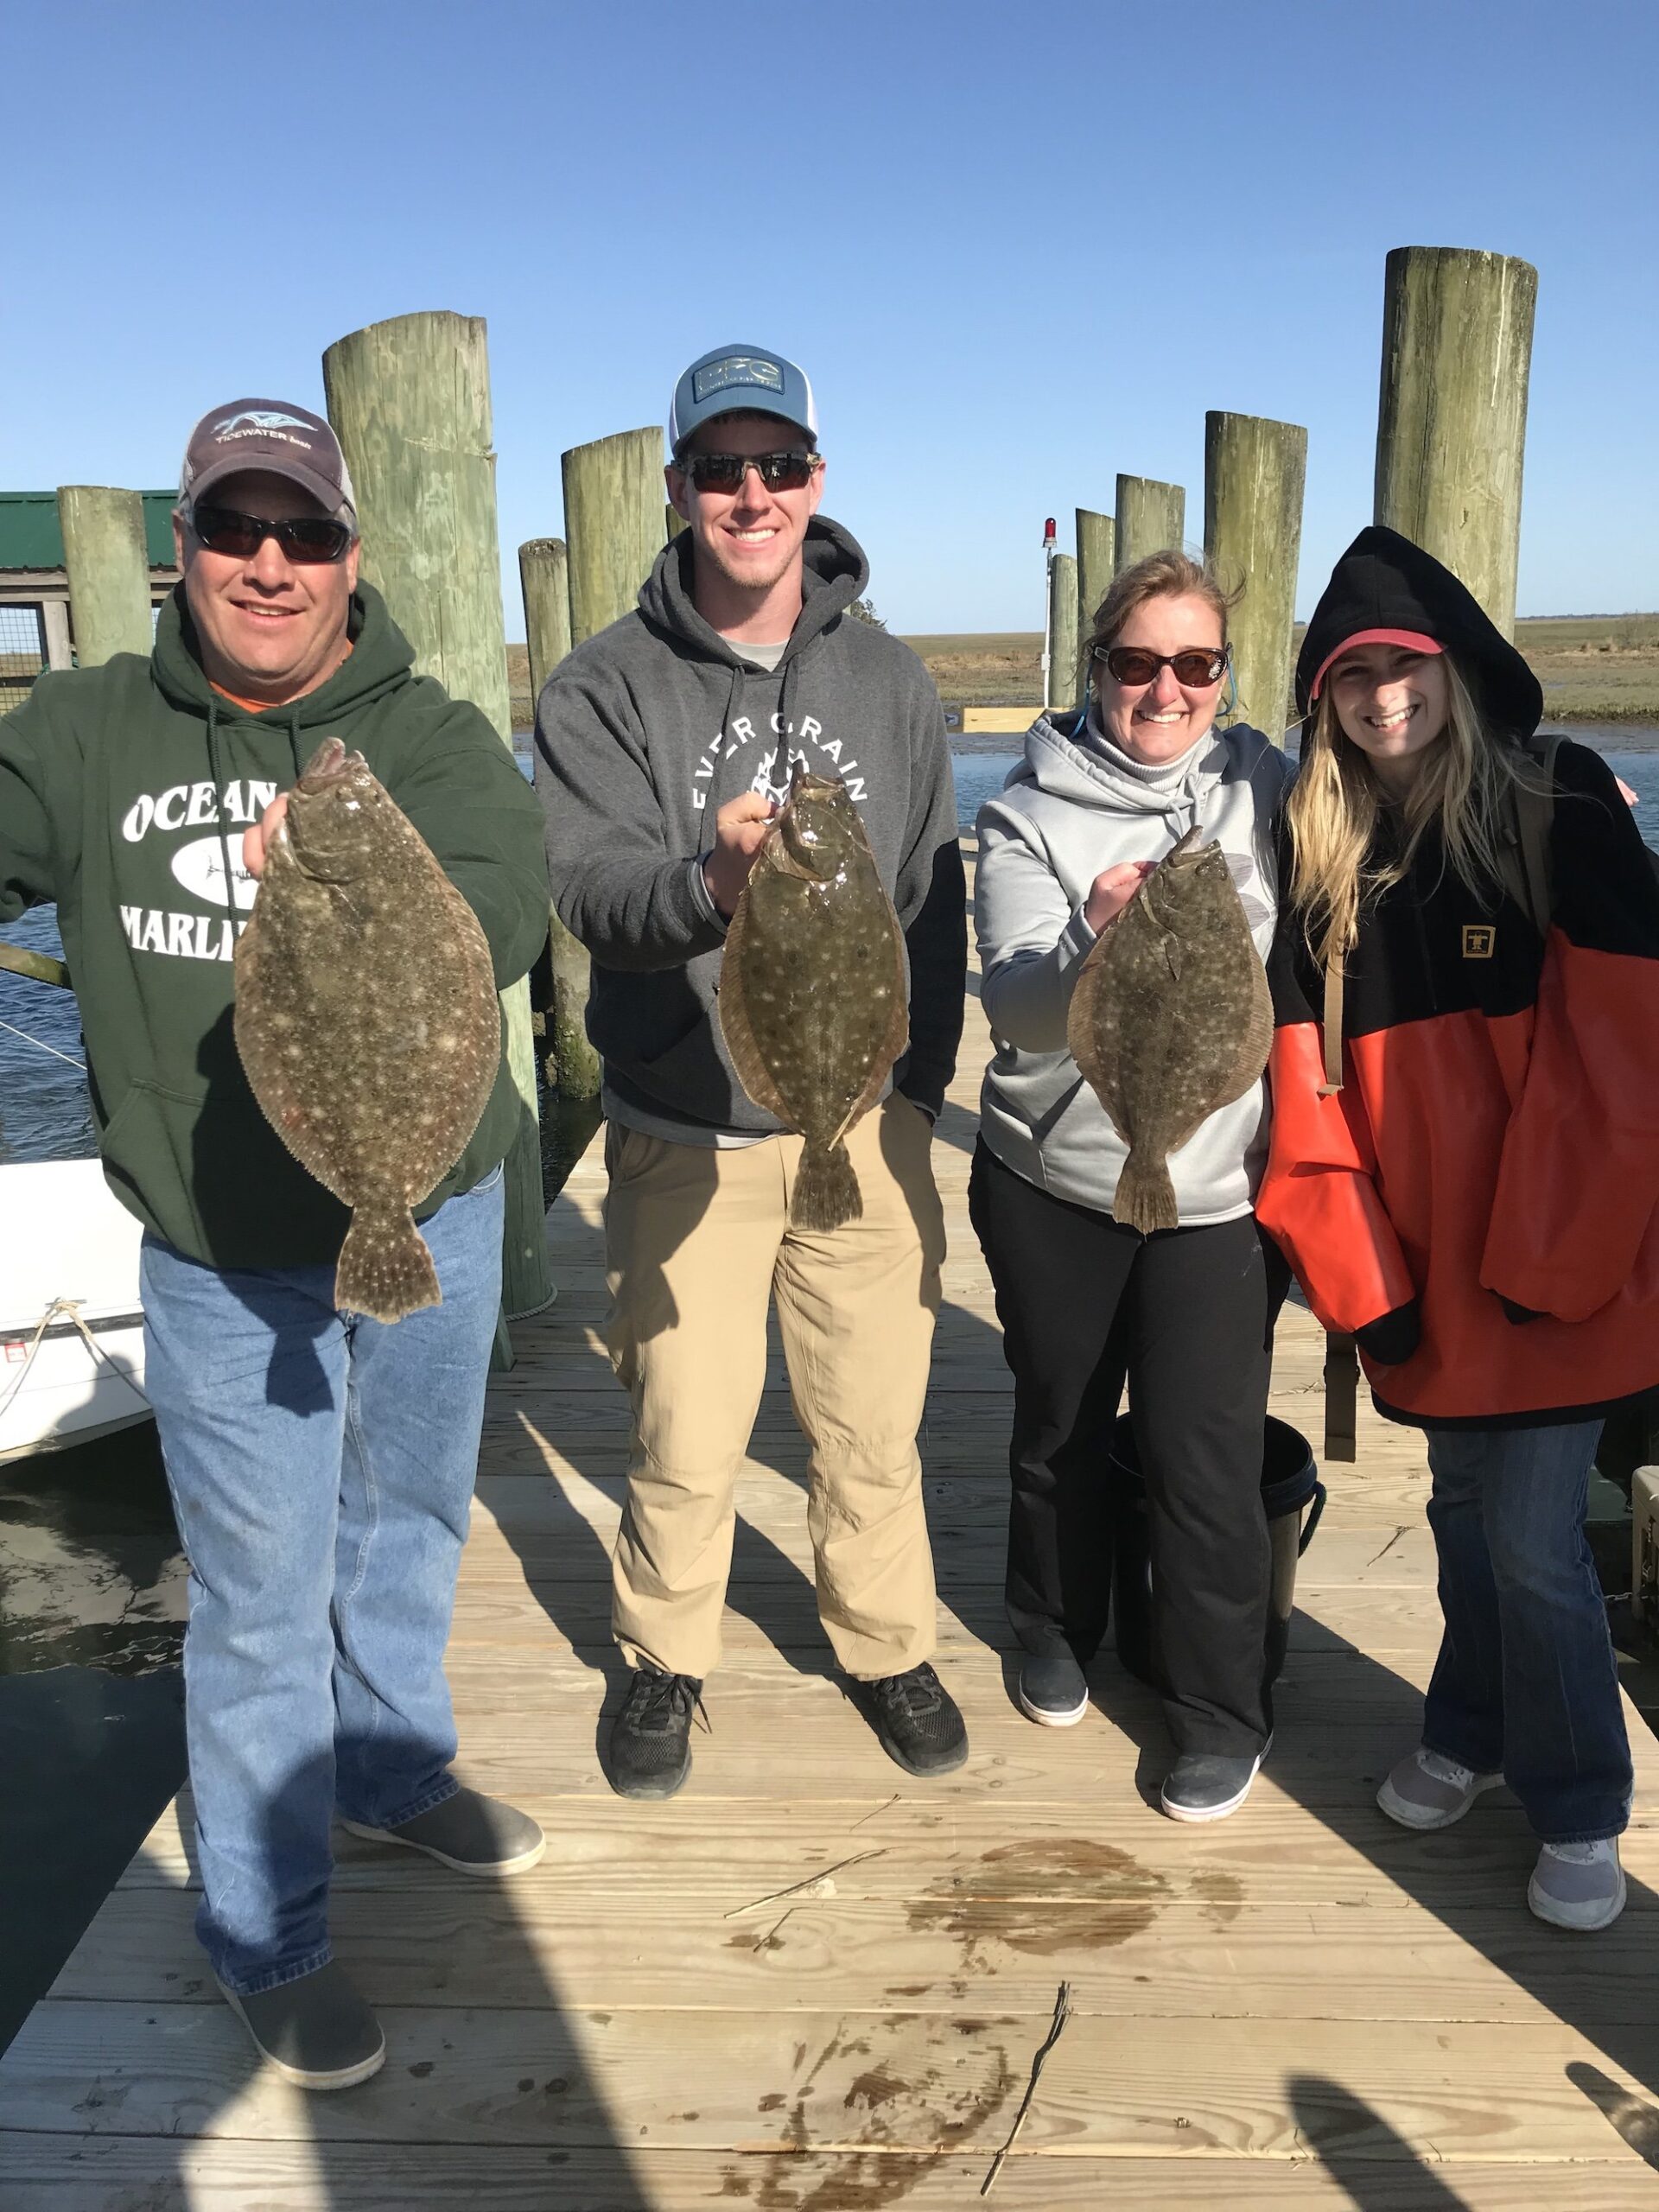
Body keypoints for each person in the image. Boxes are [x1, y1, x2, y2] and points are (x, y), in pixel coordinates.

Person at [0, 400, 550, 2087]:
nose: (268, 563)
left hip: (429, 1205)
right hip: (223, 1254)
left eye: (303, 532)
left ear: (350, 558)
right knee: (255, 1601)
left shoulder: (425, 734)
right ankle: (266, 1928)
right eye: (235, 529)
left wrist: (357, 873)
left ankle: (384, 1769)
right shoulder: (85, 731)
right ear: (184, 549)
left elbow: (506, 903)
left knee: (409, 1525)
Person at [537, 344, 968, 1798]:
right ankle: (665, 1659)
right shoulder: (604, 684)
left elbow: (932, 904)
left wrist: (917, 1088)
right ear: (678, 488)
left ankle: (886, 1645)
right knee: (685, 1426)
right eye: (721, 468)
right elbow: (591, 893)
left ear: (816, 481)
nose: (751, 493)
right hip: (684, 1125)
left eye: (778, 465)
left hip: (864, 1117)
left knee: (871, 1421)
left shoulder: (891, 679)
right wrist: (708, 888)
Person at [1260, 524, 1659, 1931]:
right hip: (1425, 1274)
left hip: (1566, 1269)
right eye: (1353, 674)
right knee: (1458, 1510)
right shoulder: (1317, 852)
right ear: (1322, 696)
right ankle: (1472, 1725)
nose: (1386, 698)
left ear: (1457, 668)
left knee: (1539, 1539)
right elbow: (1302, 1091)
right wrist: (1359, 1279)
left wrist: (1559, 1259)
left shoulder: (1563, 803)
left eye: (1407, 665)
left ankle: (1580, 1801)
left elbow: (1626, 1057)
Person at [970, 550, 1290, 1821]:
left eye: (1195, 664)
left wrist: (1552, 785)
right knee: (1058, 1425)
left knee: (1203, 1456)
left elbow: (1400, 815)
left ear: (1224, 675)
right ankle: (1053, 1626)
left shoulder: (1271, 787)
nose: (1167, 689)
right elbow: (1015, 1008)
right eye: (1138, 662)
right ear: (1096, 666)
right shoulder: (1025, 814)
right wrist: (1091, 932)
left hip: (1216, 1195)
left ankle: (1217, 1709)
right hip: (1057, 1179)